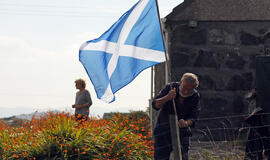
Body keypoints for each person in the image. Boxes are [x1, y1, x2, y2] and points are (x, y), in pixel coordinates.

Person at [152, 73, 201, 160]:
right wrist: (167, 97)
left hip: (182, 133)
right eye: (184, 88)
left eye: (190, 90)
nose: (186, 92)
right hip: (163, 131)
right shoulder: (170, 87)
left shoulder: (195, 96)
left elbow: (194, 117)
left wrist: (186, 123)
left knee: (183, 157)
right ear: (181, 82)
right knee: (161, 158)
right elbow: (155, 105)